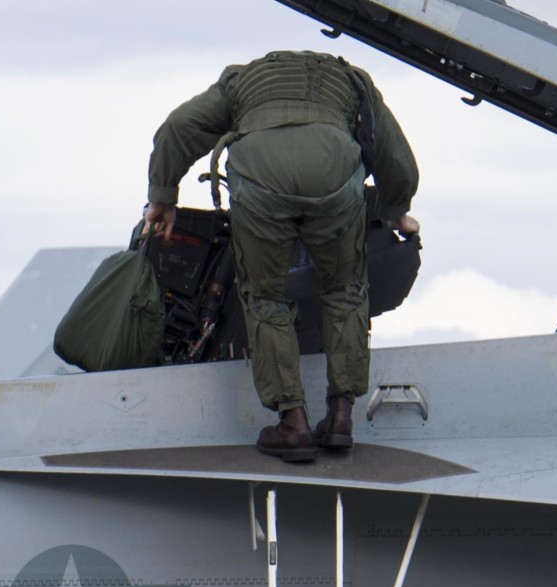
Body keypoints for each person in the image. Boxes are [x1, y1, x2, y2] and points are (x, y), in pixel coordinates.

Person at [143, 49, 420, 460]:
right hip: (334, 171)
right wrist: (397, 210)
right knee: (345, 291)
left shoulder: (240, 83)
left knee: (267, 298)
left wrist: (163, 198)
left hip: (260, 178)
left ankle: (293, 424)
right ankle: (341, 416)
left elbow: (177, 129)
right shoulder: (352, 81)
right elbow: (392, 152)